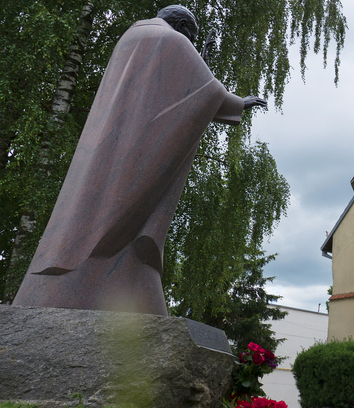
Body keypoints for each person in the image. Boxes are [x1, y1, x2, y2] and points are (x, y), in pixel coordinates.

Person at [13, 5, 266, 315]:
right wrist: (240, 103)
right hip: (135, 156)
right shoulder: (171, 41)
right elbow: (203, 90)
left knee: (95, 218)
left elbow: (177, 90)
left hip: (111, 150)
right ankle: (102, 281)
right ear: (182, 26)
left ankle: (78, 284)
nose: (188, 39)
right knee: (121, 223)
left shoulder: (132, 37)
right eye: (190, 35)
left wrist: (201, 61)